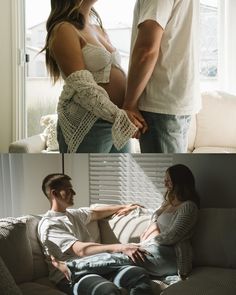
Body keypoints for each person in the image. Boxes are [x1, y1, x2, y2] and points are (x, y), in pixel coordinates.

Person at [51, 164, 200, 285]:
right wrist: (131, 208)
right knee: (120, 259)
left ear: (179, 181)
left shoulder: (188, 207)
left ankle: (71, 268)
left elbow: (174, 235)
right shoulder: (169, 203)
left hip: (170, 255)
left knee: (120, 257)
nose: (165, 182)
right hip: (154, 249)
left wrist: (148, 242)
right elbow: (154, 214)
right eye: (165, 178)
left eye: (169, 179)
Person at [41, 0, 146, 153]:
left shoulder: (98, 29)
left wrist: (129, 108)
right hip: (89, 124)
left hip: (116, 122)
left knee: (120, 174)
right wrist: (121, 117)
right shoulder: (63, 29)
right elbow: (84, 87)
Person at [38, 173, 154, 295]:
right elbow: (80, 250)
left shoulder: (73, 214)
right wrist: (122, 247)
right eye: (69, 190)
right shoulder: (49, 225)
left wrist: (124, 206)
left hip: (97, 265)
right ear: (54, 194)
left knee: (138, 274)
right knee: (108, 291)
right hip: (72, 275)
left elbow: (96, 213)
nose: (74, 193)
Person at [123, 0, 201, 153]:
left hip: (159, 104)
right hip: (175, 100)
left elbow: (147, 50)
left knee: (161, 170)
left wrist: (129, 104)